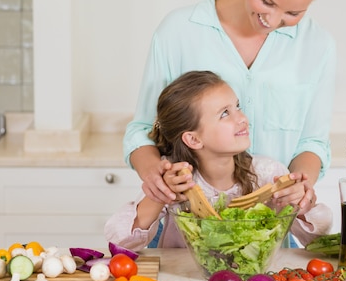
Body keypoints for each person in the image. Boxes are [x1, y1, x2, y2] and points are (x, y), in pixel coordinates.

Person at [124, 0, 336, 216]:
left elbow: (312, 142)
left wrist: (300, 184)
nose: (273, 21)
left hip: (270, 230)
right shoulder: (178, 32)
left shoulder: (317, 46)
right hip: (187, 224)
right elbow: (143, 129)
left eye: (292, 13)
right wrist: (153, 174)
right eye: (267, 1)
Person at [106, 71, 332, 250]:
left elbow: (316, 238)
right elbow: (120, 242)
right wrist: (160, 195)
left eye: (238, 107)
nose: (242, 118)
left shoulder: (268, 174)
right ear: (193, 139)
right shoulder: (177, 181)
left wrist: (302, 204)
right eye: (225, 113)